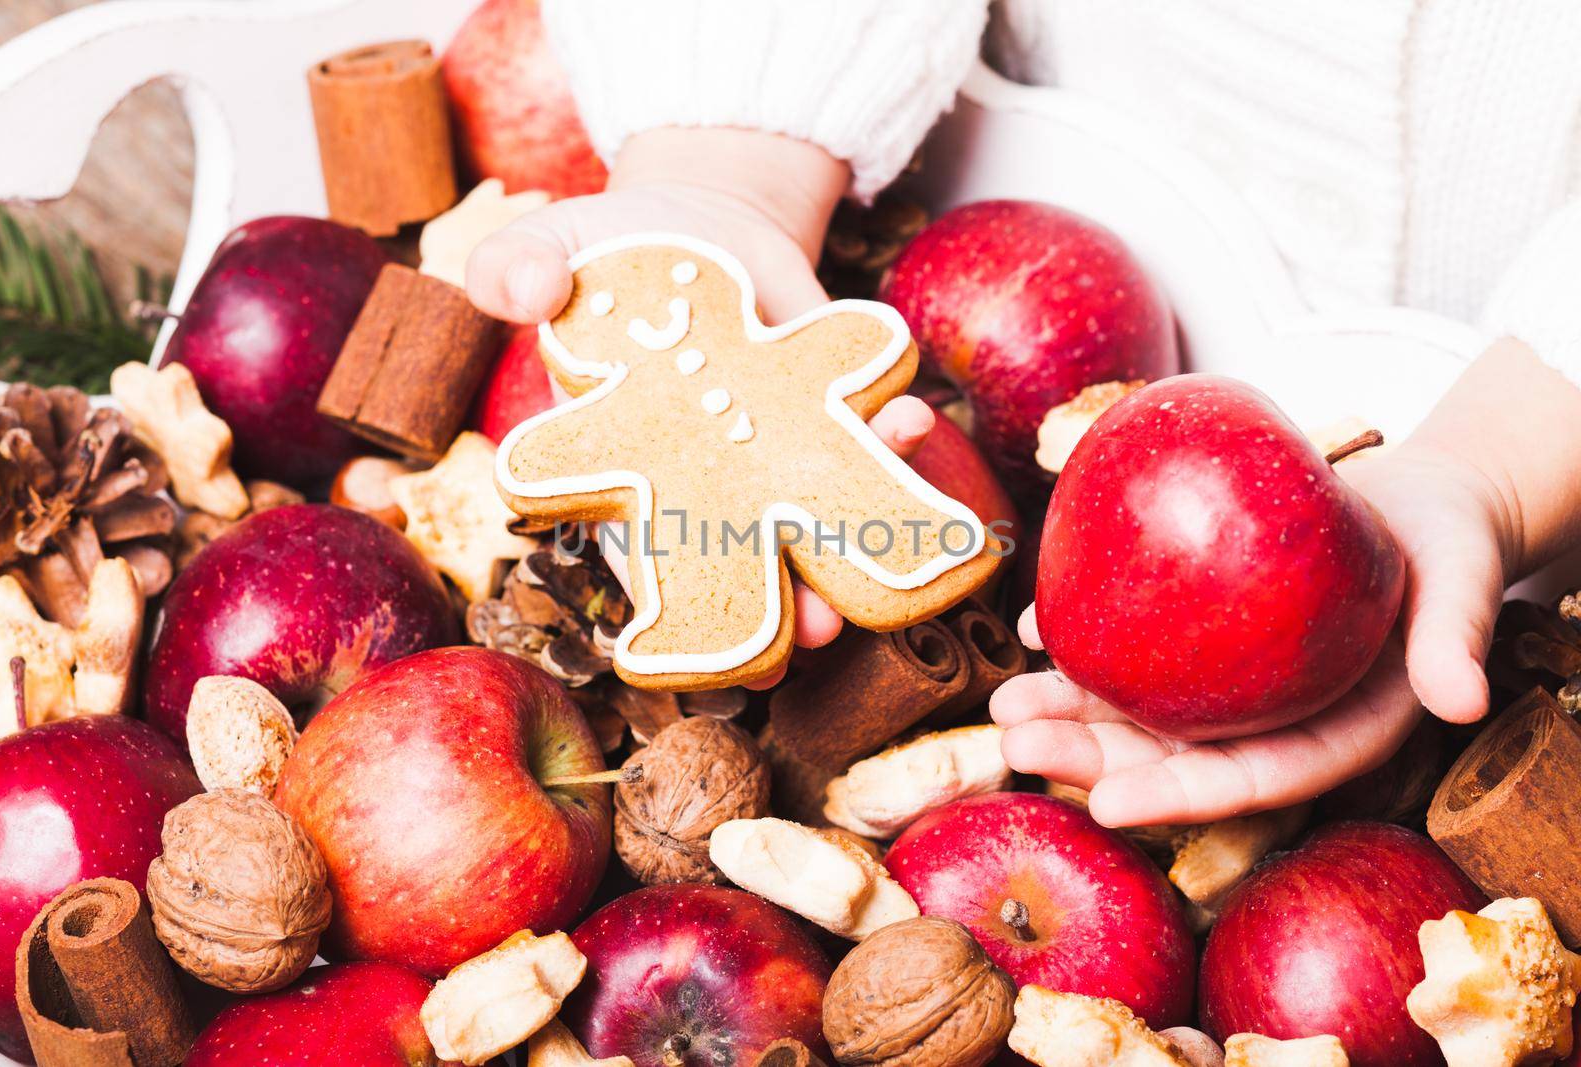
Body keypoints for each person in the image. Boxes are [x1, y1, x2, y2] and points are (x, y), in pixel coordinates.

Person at [464, 1, 1581, 828]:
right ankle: (708, 610)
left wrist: (1504, 465)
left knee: (855, 497)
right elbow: (587, 444)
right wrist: (730, 171)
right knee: (746, 557)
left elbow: (852, 346)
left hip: (1531, 435)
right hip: (959, 181)